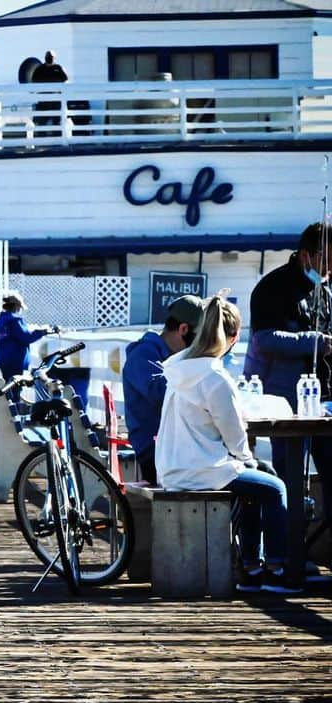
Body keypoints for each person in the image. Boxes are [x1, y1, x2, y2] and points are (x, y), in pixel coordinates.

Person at [157, 295, 298, 594]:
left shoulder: (181, 367)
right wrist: (247, 458)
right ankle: (275, 569)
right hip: (200, 469)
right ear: (232, 339)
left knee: (257, 478)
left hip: (174, 465)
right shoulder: (215, 376)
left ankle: (251, 566)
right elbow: (236, 438)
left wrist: (245, 461)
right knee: (275, 488)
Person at [245, 221, 332, 485]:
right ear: (307, 255)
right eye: (327, 261)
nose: (330, 268)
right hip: (285, 403)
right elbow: (264, 339)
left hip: (323, 398)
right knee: (290, 477)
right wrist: (314, 341)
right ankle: (288, 526)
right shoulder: (272, 286)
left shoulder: (325, 291)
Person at [121, 295, 204, 484]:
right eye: (200, 338)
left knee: (258, 470)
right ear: (184, 329)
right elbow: (163, 396)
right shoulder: (144, 354)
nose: (201, 345)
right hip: (158, 454)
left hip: (177, 450)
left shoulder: (165, 354)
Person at [0, 292, 57, 380]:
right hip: (14, 360)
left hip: (3, 359)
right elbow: (26, 337)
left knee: (8, 384)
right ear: (16, 307)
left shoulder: (1, 320)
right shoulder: (15, 321)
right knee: (15, 386)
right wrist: (42, 332)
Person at [31, 50, 69, 138]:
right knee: (41, 122)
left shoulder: (58, 68)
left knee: (57, 122)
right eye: (48, 57)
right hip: (43, 100)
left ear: (54, 58)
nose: (50, 59)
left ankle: (57, 141)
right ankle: (41, 141)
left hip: (56, 100)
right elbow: (33, 81)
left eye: (51, 57)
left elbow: (66, 80)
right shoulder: (40, 69)